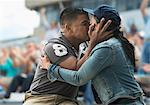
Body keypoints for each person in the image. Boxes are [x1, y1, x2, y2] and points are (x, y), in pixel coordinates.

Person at [40, 5, 145, 105]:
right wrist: (92, 41)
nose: (90, 25)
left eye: (92, 21)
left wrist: (50, 68)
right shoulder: (113, 43)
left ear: (101, 24)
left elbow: (78, 78)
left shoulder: (107, 48)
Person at [23, 7, 112, 105]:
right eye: (84, 24)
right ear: (68, 28)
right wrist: (93, 43)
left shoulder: (82, 47)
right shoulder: (54, 46)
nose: (90, 27)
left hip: (66, 100)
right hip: (42, 99)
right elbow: (76, 70)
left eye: (89, 23)